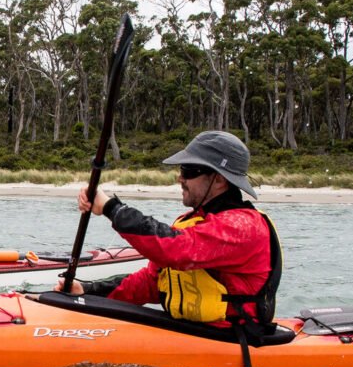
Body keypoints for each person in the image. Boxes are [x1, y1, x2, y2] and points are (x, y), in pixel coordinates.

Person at [58, 130, 281, 339]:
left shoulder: (244, 226)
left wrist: (112, 208)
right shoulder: (191, 222)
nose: (180, 178)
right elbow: (153, 282)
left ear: (220, 180)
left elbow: (176, 250)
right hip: (192, 331)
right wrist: (88, 291)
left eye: (189, 171)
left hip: (232, 338)